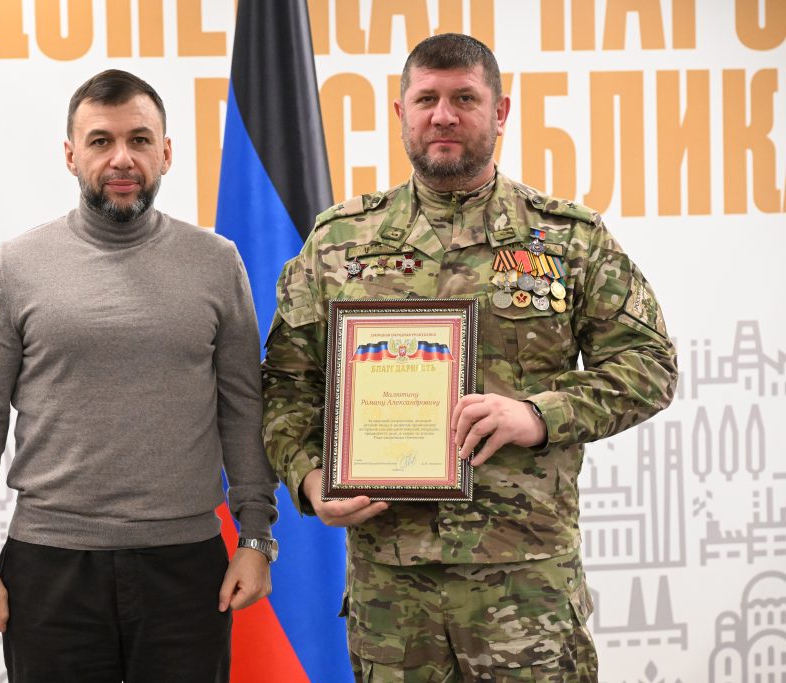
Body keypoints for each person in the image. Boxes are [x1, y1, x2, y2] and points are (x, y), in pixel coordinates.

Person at [262, 34, 677, 682]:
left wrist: (538, 414)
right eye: (426, 99)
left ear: (500, 111)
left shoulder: (566, 238)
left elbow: (650, 363)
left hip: (526, 585)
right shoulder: (339, 242)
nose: (443, 115)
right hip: (392, 591)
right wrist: (313, 481)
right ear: (400, 112)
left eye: (464, 99)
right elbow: (287, 385)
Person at [0, 69, 279, 683]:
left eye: (139, 140)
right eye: (100, 141)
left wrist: (256, 537)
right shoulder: (15, 267)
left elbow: (243, 409)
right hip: (50, 566)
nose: (121, 158)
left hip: (187, 568)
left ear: (166, 153)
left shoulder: (216, 262)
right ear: (71, 155)